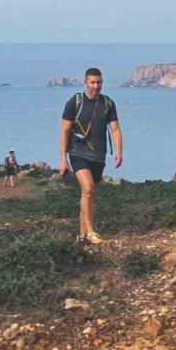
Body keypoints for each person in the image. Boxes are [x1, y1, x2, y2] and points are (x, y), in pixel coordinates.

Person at [58, 68, 122, 244]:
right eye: (92, 82)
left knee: (89, 195)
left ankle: (81, 236)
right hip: (78, 153)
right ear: (85, 83)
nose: (96, 86)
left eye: (99, 82)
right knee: (88, 189)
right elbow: (64, 131)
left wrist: (118, 152)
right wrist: (63, 159)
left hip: (98, 155)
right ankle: (91, 232)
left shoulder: (108, 103)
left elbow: (115, 129)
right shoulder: (75, 102)